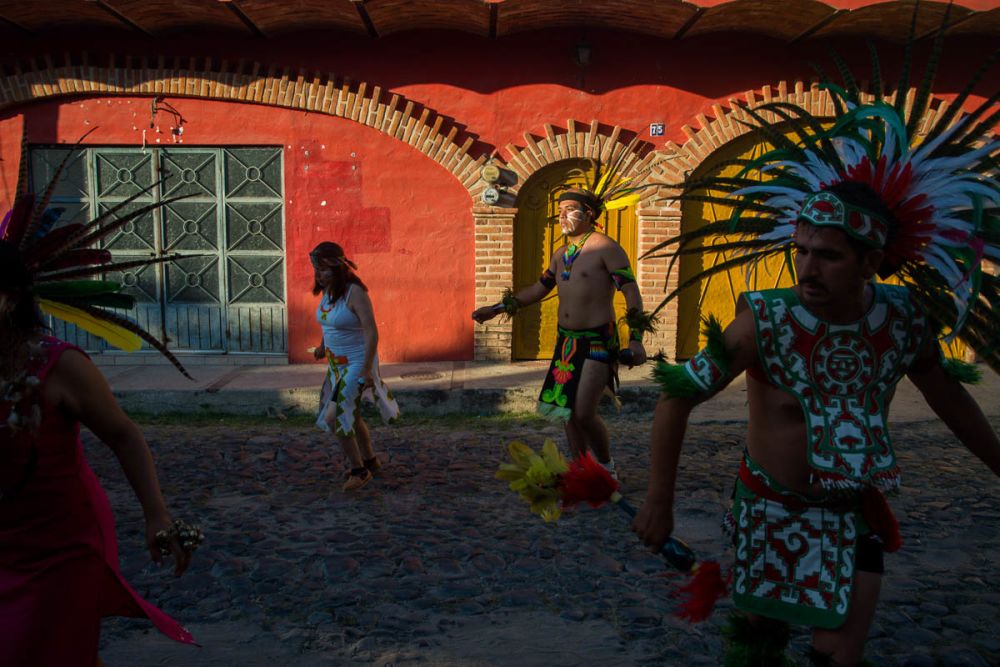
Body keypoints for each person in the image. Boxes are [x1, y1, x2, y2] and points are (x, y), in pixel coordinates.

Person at [630, 46, 1000, 663]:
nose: (807, 267)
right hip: (768, 512)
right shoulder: (763, 323)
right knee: (758, 650)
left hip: (852, 515)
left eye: (827, 255)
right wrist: (659, 498)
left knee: (837, 654)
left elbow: (949, 398)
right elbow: (676, 395)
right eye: (801, 250)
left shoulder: (903, 319)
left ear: (872, 263)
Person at [0, 240, 200, 665]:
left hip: (60, 546)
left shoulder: (59, 365)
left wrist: (156, 514)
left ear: (9, 298)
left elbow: (123, 435)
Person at [472, 185, 652, 477]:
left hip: (597, 341)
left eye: (569, 209)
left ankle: (606, 467)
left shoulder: (605, 248)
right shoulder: (561, 255)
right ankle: (581, 469)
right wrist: (497, 308)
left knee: (583, 412)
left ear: (589, 214)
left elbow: (631, 292)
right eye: (559, 210)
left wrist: (636, 340)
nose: (562, 216)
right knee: (566, 413)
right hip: (567, 343)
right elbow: (537, 290)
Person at [311, 242, 400, 492]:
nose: (319, 275)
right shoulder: (329, 293)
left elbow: (371, 330)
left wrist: (366, 371)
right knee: (354, 413)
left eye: (324, 270)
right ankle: (370, 461)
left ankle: (359, 471)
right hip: (336, 366)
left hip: (356, 364)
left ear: (337, 268)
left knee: (335, 417)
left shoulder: (355, 293)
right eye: (317, 270)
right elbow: (329, 324)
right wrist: (321, 346)